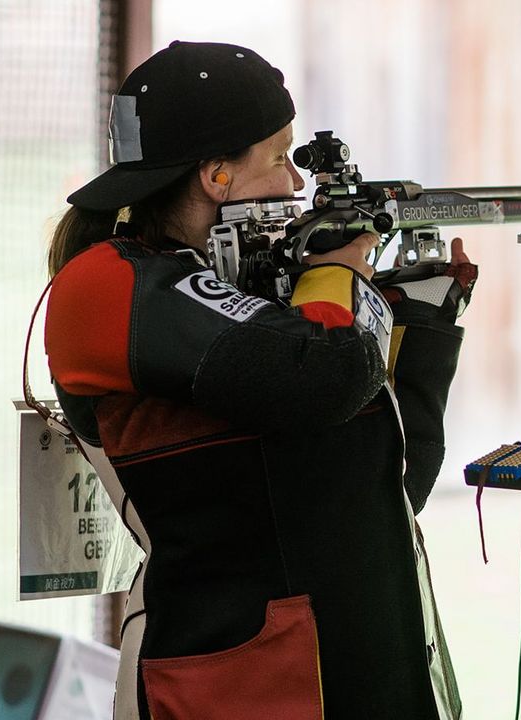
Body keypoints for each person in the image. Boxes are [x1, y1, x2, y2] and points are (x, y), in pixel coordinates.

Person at [44, 41, 475, 720]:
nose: (296, 186)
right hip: (242, 688)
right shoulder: (104, 286)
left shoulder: (273, 305)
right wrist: (338, 273)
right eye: (280, 158)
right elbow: (328, 376)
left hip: (364, 678)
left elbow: (387, 495)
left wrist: (421, 325)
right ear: (217, 174)